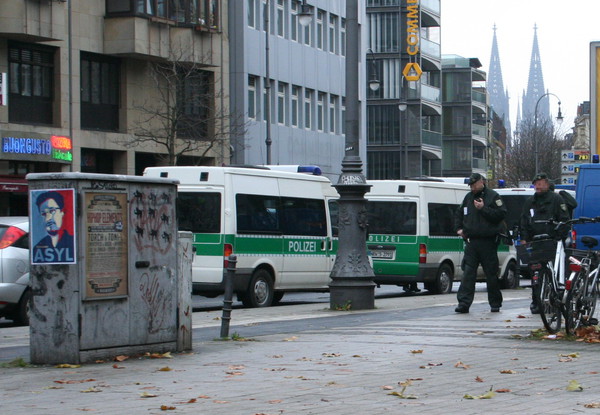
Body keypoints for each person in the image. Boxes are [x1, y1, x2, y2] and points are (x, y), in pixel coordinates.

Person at [454, 173, 506, 313]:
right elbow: (459, 214)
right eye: (470, 185)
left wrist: (483, 209)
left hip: (488, 241)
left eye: (474, 184)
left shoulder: (493, 196)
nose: (472, 188)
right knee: (468, 273)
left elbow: (500, 215)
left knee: (491, 274)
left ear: (481, 182)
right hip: (471, 241)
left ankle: (495, 303)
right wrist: (459, 229)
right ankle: (464, 303)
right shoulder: (468, 197)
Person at [519, 173, 570, 314]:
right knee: (536, 273)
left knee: (555, 272)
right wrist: (524, 238)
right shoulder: (530, 202)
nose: (538, 186)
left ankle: (555, 299)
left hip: (552, 242)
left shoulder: (556, 199)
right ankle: (537, 301)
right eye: (536, 183)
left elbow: (564, 220)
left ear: (547, 184)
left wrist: (559, 237)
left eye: (540, 183)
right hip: (535, 242)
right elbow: (524, 221)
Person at [32, 190, 75, 264]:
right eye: (44, 214)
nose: (48, 218)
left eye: (52, 211)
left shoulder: (73, 242)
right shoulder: (38, 247)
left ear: (62, 212)